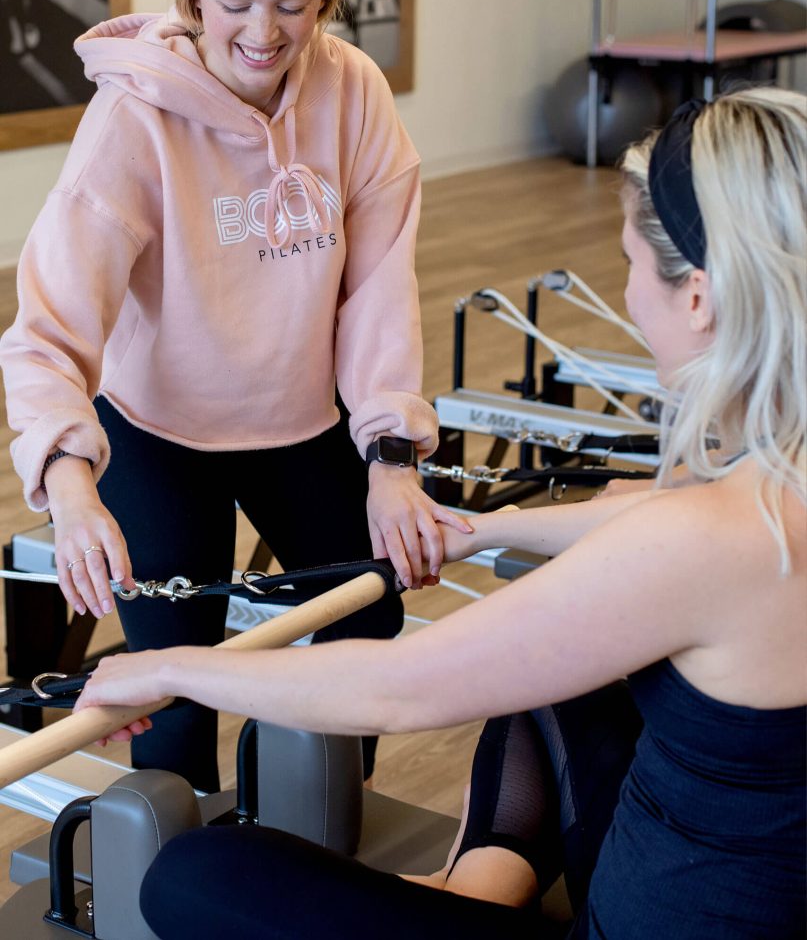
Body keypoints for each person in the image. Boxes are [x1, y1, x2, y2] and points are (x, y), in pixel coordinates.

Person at [76, 87, 806, 938]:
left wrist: (169, 667)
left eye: (631, 267)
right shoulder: (757, 496)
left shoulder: (708, 540)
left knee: (197, 874)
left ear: (699, 298)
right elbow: (656, 516)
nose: (629, 293)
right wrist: (477, 530)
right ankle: (475, 888)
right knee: (560, 679)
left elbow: (395, 691)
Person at [0, 0, 471, 790]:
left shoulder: (355, 95)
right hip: (160, 432)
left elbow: (379, 286)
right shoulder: (134, 123)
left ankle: (289, 846)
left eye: (292, 5)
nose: (264, 32)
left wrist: (390, 459)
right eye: (235, 3)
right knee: (171, 701)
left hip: (303, 422)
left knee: (367, 617)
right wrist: (70, 479)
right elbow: (48, 325)